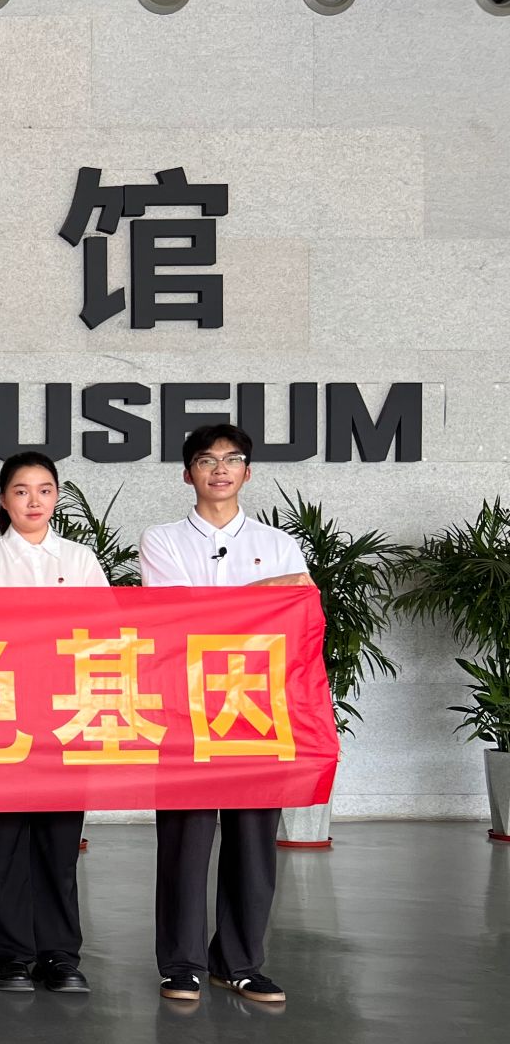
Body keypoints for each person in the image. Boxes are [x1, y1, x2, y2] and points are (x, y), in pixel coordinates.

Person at [139, 422, 310, 1006]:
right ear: (187, 473)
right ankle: (181, 963)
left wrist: (238, 604)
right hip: (183, 706)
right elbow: (176, 617)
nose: (220, 469)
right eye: (207, 460)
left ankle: (239, 962)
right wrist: (266, 592)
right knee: (185, 839)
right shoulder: (162, 540)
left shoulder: (280, 543)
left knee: (253, 838)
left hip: (256, 705)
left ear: (248, 472)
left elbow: (296, 616)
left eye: (232, 459)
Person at [0, 451, 109, 994]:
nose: (34, 501)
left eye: (44, 490)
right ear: (4, 500)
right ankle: (12, 957)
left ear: (57, 496)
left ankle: (60, 956)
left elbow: (104, 633)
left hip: (65, 717)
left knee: (58, 847)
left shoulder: (81, 559)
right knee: (1, 846)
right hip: (0, 719)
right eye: (21, 491)